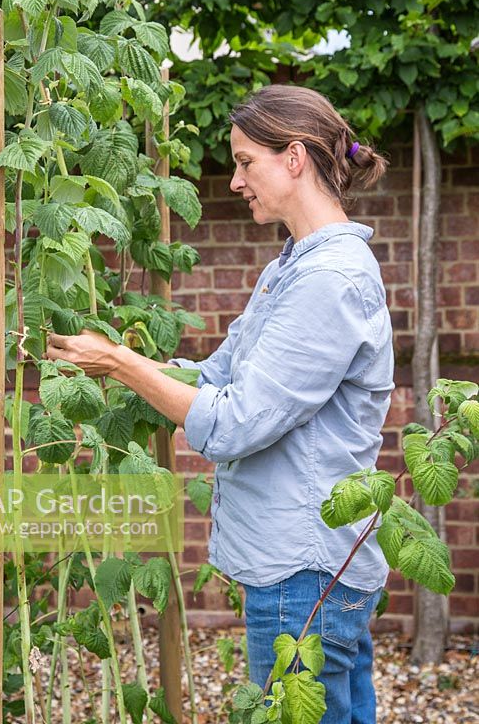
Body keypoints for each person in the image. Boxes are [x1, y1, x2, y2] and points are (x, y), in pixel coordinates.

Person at [46, 85, 395, 723]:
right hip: (302, 566)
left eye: (243, 162)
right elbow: (218, 376)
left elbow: (235, 423)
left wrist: (121, 363)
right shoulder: (291, 267)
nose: (234, 181)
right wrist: (108, 361)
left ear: (294, 157)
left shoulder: (329, 281)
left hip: (304, 568)